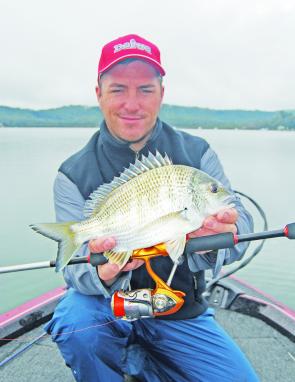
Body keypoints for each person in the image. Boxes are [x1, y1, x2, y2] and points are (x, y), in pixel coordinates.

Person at [45, 34, 259, 381]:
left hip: (179, 308)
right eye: (118, 89)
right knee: (75, 321)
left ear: (162, 93)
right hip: (107, 307)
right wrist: (104, 270)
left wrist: (226, 233)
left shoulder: (197, 154)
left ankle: (145, 362)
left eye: (145, 89)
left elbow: (240, 221)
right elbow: (72, 269)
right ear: (98, 94)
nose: (132, 104)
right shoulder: (72, 174)